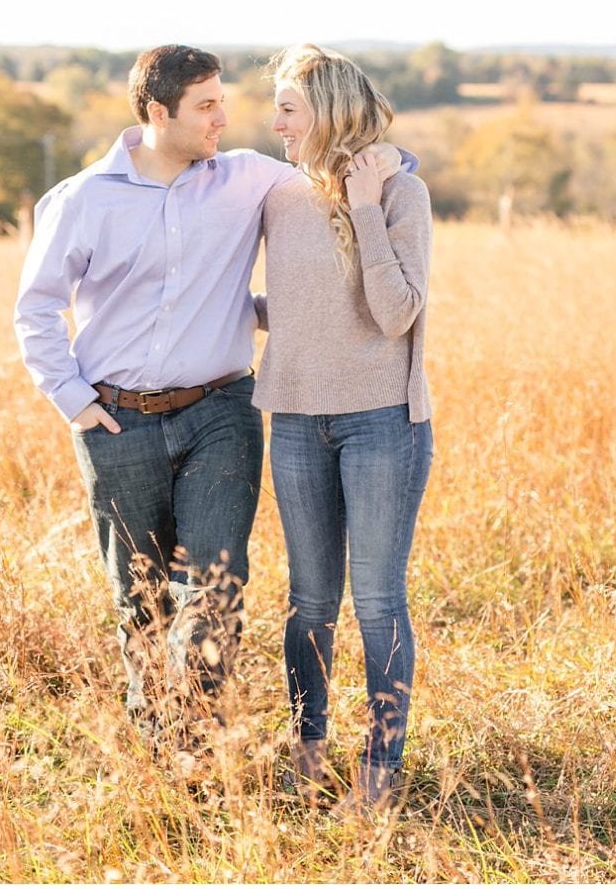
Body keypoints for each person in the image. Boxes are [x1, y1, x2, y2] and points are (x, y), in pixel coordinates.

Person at [13, 44, 402, 754]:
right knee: (142, 600)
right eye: (207, 105)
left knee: (215, 587)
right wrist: (72, 400)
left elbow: (334, 185)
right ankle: (162, 745)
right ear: (158, 112)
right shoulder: (82, 200)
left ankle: (198, 746)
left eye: (223, 101)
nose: (225, 117)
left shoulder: (249, 179)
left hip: (221, 413)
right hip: (115, 420)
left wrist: (380, 174)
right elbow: (35, 309)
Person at [254, 43, 434, 814]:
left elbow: (397, 313)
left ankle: (379, 772)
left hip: (382, 422)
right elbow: (291, 306)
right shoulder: (275, 196)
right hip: (295, 420)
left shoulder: (401, 194)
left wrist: (364, 202)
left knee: (378, 602)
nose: (276, 122)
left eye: (289, 108)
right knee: (310, 602)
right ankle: (307, 749)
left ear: (324, 111)